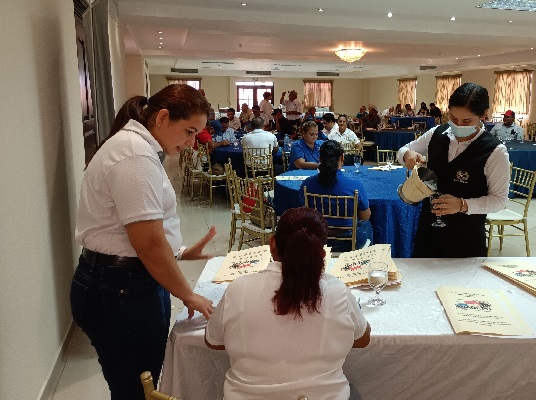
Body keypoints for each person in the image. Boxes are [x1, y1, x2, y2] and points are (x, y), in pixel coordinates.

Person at [71, 84, 216, 399]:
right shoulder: (134, 154)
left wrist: (178, 252)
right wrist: (188, 295)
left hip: (127, 280)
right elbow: (147, 244)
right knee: (136, 387)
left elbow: (135, 230)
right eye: (189, 131)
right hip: (119, 286)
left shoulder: (140, 148)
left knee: (139, 379)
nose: (192, 143)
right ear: (163, 117)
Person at [205, 207, 370, 399]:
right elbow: (362, 340)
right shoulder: (337, 291)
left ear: (272, 243)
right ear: (322, 253)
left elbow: (214, 342)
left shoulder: (238, 289)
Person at [398, 82, 510, 258]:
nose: (458, 125)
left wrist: (463, 205)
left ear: (483, 115)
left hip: (466, 236)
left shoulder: (495, 151)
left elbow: (499, 200)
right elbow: (403, 150)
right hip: (428, 230)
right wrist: (407, 155)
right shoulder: (437, 133)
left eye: (467, 121)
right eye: (453, 118)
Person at [299, 140, 373, 251]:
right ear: (342, 159)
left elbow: (304, 212)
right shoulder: (355, 186)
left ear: (320, 159)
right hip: (348, 241)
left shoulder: (307, 184)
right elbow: (365, 216)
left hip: (317, 238)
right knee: (368, 225)